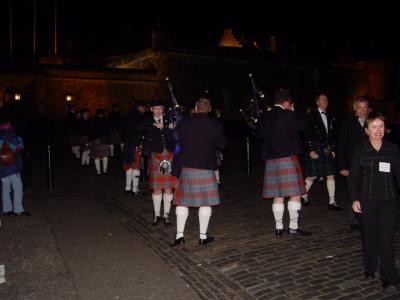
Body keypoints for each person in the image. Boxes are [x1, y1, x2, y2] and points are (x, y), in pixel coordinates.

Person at [348, 112, 400, 292]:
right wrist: (354, 199)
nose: (378, 130)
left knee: (386, 239)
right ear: (366, 130)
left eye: (381, 127)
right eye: (374, 127)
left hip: (389, 202)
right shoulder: (360, 149)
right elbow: (353, 177)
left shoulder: (392, 149)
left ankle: (390, 278)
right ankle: (369, 269)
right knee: (369, 237)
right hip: (367, 201)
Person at [171, 98, 226, 247]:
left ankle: (179, 236)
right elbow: (222, 145)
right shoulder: (216, 124)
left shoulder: (184, 122)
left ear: (195, 108)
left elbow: (176, 139)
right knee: (205, 203)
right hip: (206, 167)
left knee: (182, 203)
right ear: (209, 109)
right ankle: (202, 237)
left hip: (187, 167)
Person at [257, 88, 311, 237]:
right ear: (287, 102)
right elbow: (304, 127)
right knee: (295, 194)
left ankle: (279, 227)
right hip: (287, 159)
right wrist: (293, 112)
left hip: (271, 160)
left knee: (278, 195)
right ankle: (293, 226)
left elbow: (260, 135)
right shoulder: (289, 115)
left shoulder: (264, 116)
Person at [301, 94, 341, 210]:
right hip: (316, 147)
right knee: (312, 176)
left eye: (326, 99)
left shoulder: (330, 115)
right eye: (322, 99)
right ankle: (303, 196)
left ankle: (332, 202)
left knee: (331, 174)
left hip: (326, 148)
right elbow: (306, 134)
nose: (325, 101)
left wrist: (332, 149)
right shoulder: (311, 116)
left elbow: (332, 135)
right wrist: (310, 149)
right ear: (317, 102)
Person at [141, 99, 176, 226]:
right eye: (155, 108)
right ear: (151, 110)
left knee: (168, 188)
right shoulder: (147, 121)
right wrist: (154, 126)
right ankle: (157, 215)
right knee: (157, 189)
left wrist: (168, 128)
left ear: (163, 109)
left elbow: (175, 137)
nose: (158, 111)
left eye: (160, 108)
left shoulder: (169, 120)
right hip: (156, 156)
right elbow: (140, 128)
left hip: (169, 156)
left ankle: (166, 215)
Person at [337, 96, 370, 230]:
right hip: (352, 163)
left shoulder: (372, 122)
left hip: (369, 163)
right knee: (354, 190)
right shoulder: (348, 122)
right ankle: (355, 218)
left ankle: (368, 216)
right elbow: (341, 145)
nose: (362, 110)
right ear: (355, 108)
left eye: (365, 107)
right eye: (360, 107)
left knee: (367, 189)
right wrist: (342, 165)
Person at [0, 113, 30, 217]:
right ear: (8, 123)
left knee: (5, 188)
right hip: (12, 166)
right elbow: (19, 146)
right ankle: (18, 210)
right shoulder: (11, 134)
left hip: (2, 167)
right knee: (17, 187)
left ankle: (7, 210)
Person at [122, 101, 146, 196]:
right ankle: (135, 189)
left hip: (127, 143)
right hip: (136, 144)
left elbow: (122, 130)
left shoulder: (127, 116)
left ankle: (128, 188)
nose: (144, 110)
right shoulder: (138, 117)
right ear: (140, 107)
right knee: (136, 166)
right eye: (144, 108)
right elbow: (140, 130)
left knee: (129, 165)